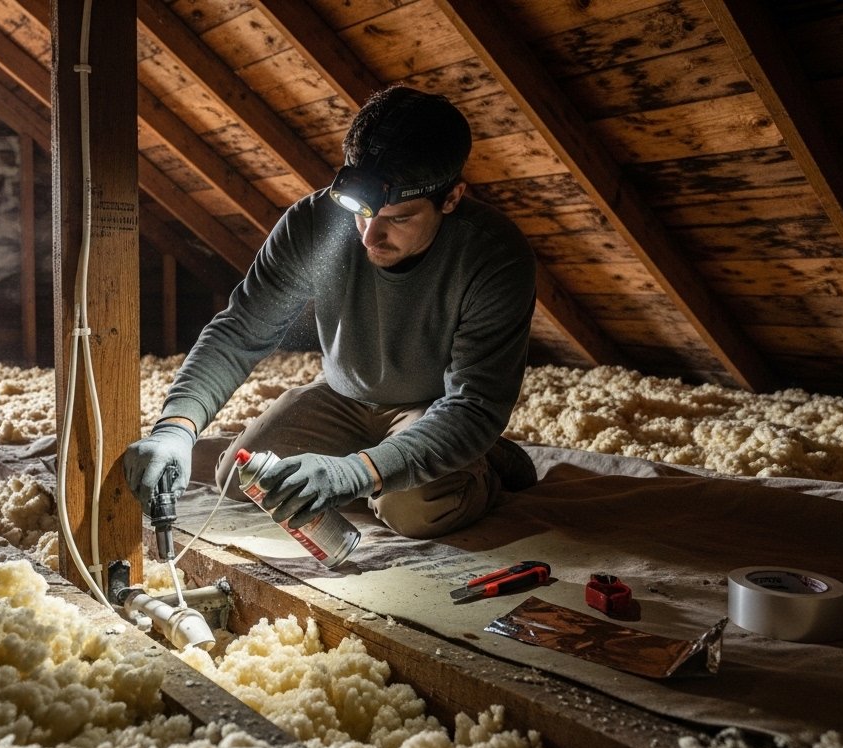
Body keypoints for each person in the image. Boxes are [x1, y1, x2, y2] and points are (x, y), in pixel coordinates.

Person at [124, 84, 538, 540]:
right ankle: (386, 456)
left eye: (398, 218)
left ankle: (487, 464)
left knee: (413, 509)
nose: (369, 237)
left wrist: (354, 474)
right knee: (241, 481)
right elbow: (241, 329)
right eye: (361, 212)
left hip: (435, 406)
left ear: (452, 198)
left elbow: (472, 405)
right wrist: (176, 428)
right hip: (344, 395)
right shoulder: (315, 223)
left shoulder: (494, 257)